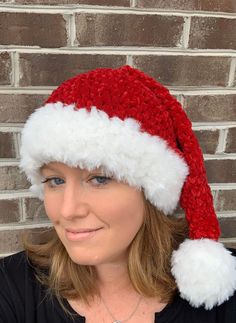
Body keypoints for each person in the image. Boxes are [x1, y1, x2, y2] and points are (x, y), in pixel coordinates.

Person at [0, 65, 235, 323]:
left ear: (149, 192)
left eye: (99, 179)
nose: (67, 211)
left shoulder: (221, 292)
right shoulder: (13, 288)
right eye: (55, 180)